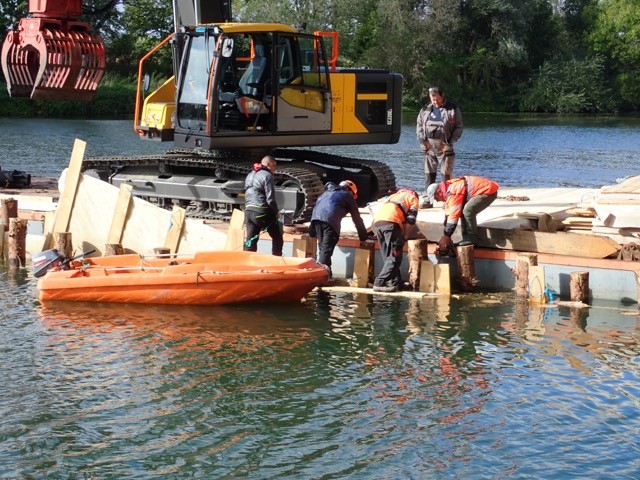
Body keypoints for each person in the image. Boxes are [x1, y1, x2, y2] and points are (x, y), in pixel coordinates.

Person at [309, 180, 370, 277]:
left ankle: (327, 274)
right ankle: (320, 277)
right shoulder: (347, 196)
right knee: (326, 250)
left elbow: (318, 208)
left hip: (315, 221)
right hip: (329, 222)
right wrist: (364, 238)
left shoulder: (326, 193)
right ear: (350, 191)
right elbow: (357, 219)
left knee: (323, 248)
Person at [416, 86, 463, 208]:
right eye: (433, 99)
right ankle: (427, 200)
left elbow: (459, 127)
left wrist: (450, 143)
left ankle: (448, 200)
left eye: (437, 99)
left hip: (445, 147)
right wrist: (422, 141)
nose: (435, 102)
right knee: (429, 174)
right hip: (429, 147)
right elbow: (419, 126)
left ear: (442, 96)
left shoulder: (452, 109)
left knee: (446, 175)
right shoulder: (425, 109)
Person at [425, 175, 499, 251]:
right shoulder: (447, 191)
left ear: (439, 192)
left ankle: (471, 237)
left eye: (435, 198)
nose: (436, 201)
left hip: (488, 191)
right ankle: (466, 238)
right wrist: (446, 235)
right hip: (482, 190)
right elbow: (448, 215)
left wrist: (446, 236)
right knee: (462, 211)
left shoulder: (452, 192)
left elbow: (453, 217)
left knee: (468, 210)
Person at [371, 188, 420, 292]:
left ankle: (396, 282)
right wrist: (404, 237)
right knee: (395, 257)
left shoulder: (392, 197)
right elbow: (411, 220)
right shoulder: (413, 198)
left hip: (377, 224)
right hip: (391, 223)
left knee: (388, 257)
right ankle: (379, 282)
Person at [243, 155, 283, 256]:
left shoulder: (250, 174)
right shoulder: (267, 175)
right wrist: (276, 212)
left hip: (248, 212)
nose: (275, 169)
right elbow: (270, 199)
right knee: (277, 236)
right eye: (274, 166)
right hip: (262, 211)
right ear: (269, 164)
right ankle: (276, 260)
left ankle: (247, 261)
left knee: (251, 240)